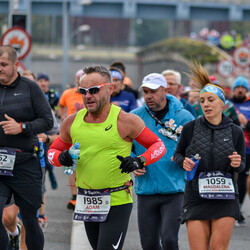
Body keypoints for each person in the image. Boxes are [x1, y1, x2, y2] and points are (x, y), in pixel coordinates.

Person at [48, 65, 166, 250]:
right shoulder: (72, 121)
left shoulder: (125, 120)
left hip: (116, 200)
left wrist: (139, 160)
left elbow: (158, 146)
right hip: (87, 200)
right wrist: (61, 157)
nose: (88, 96)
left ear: (109, 89)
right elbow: (51, 154)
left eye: (94, 90)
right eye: (83, 91)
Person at [174, 61, 246, 250]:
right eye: (202, 100)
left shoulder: (235, 131)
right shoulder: (190, 128)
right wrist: (185, 163)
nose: (205, 104)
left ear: (222, 102)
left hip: (225, 197)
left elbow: (242, 166)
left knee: (218, 248)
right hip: (196, 196)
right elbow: (178, 155)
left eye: (210, 100)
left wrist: (238, 163)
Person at [131, 73, 194, 250]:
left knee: (169, 240)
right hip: (146, 189)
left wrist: (186, 159)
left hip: (174, 189)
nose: (149, 96)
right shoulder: (134, 117)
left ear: (165, 90)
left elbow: (196, 148)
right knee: (149, 244)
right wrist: (132, 162)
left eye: (153, 91)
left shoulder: (184, 117)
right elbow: (124, 146)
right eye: (145, 92)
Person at [0, 45, 54, 250]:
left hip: (25, 162)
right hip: (0, 162)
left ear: (16, 65)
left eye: (4, 65)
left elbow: (47, 121)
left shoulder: (30, 88)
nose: (0, 69)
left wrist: (22, 127)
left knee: (30, 220)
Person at [57, 69, 84, 210]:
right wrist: (62, 117)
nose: (80, 81)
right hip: (71, 133)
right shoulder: (68, 93)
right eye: (78, 78)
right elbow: (60, 105)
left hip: (87, 133)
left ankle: (86, 193)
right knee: (71, 166)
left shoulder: (90, 94)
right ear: (75, 80)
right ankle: (74, 196)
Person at [230, 76, 250, 226]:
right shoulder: (227, 104)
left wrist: (246, 123)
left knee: (242, 179)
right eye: (238, 88)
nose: (241, 90)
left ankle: (238, 210)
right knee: (230, 178)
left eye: (244, 88)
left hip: (247, 149)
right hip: (228, 146)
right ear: (234, 89)